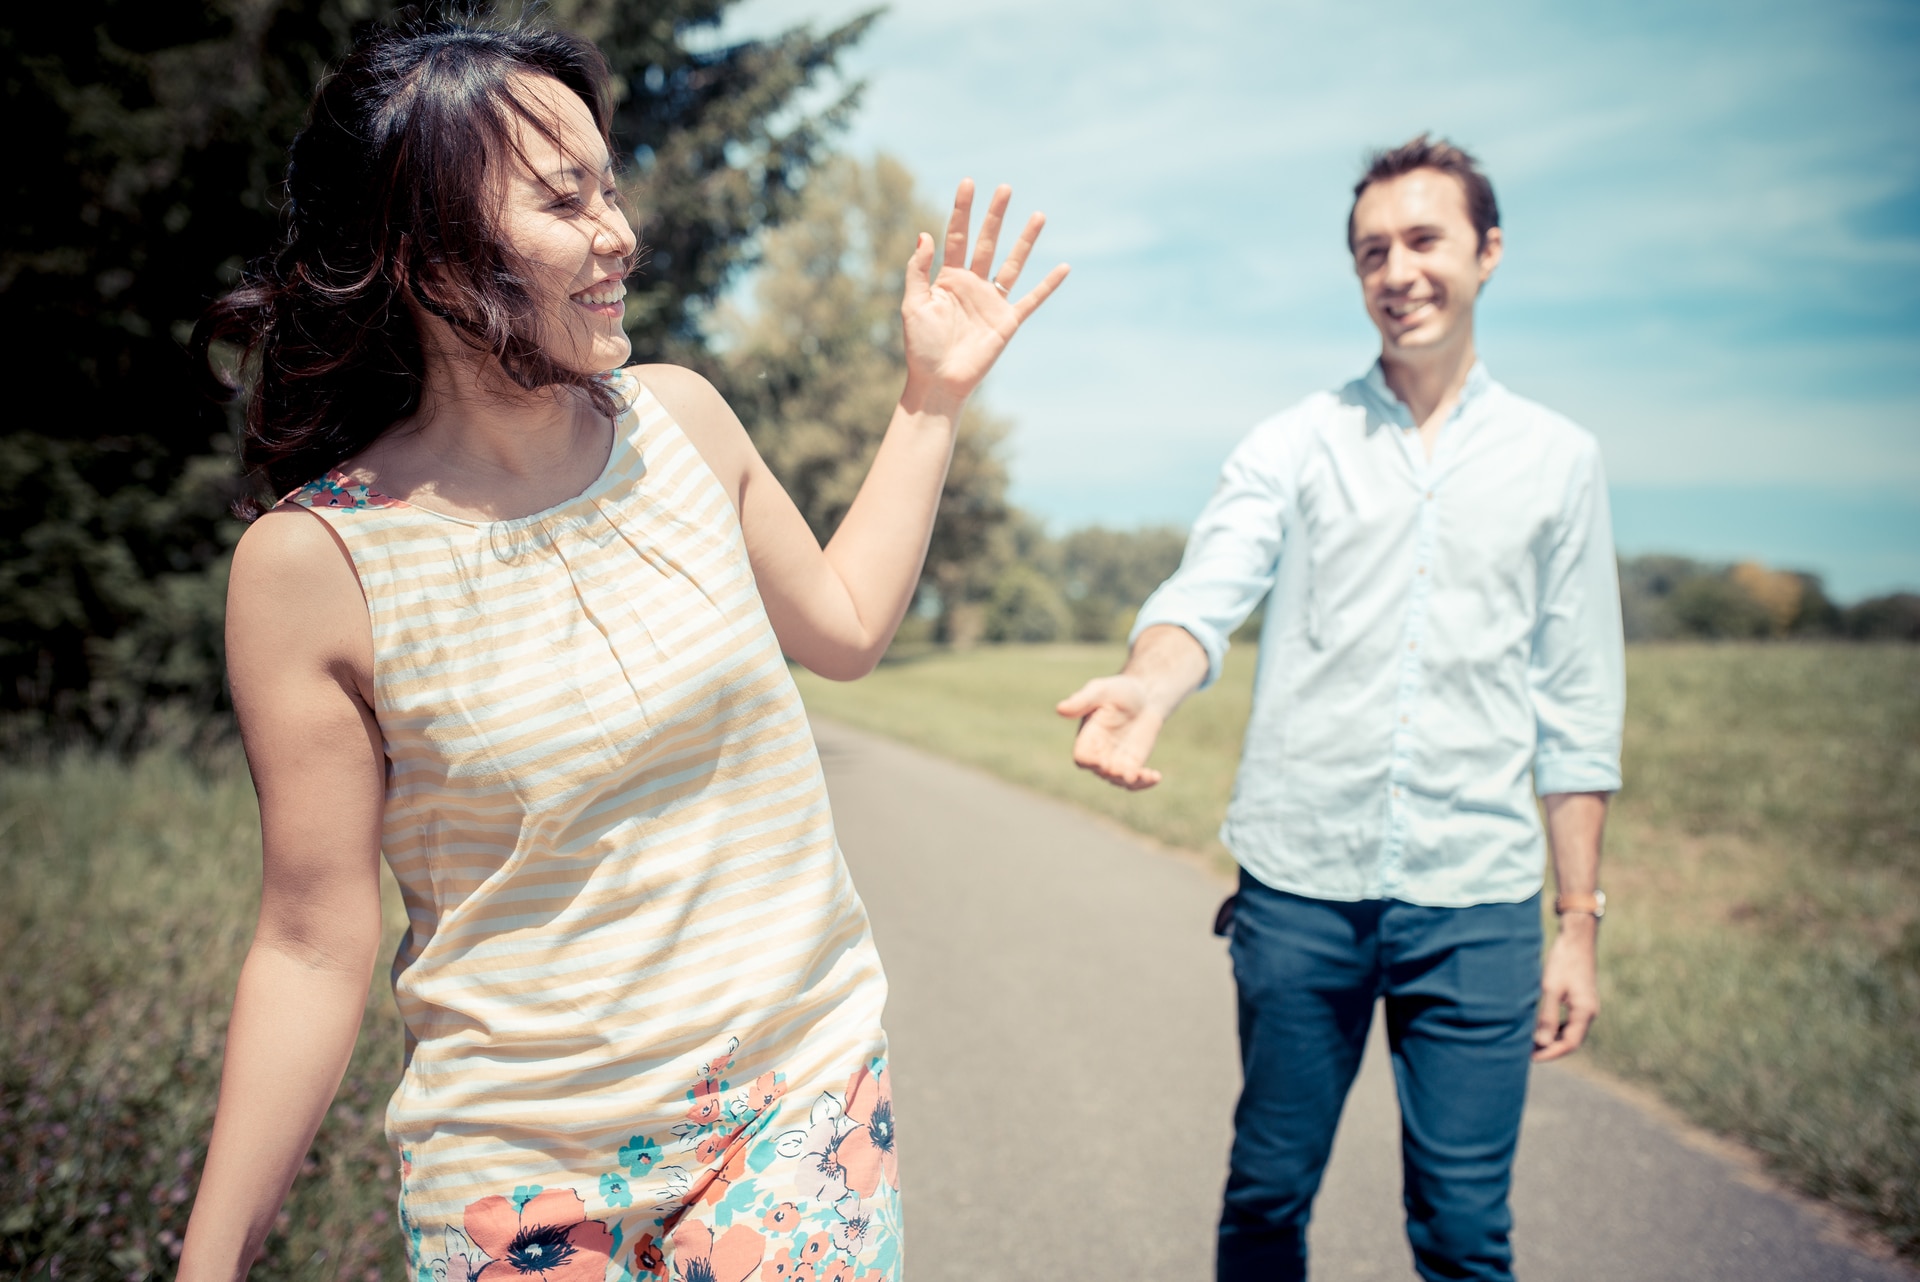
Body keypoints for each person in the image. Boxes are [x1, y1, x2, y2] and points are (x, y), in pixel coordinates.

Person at [177, 18, 1065, 1282]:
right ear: (427, 251)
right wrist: (209, 1263)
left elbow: (848, 629)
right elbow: (313, 941)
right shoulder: (313, 566)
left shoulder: (684, 422)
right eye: (564, 199)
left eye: (611, 185)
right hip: (521, 1185)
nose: (621, 234)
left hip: (793, 1113)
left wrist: (930, 401)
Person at [1057, 135, 1623, 1282]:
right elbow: (1206, 591)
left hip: (1479, 904)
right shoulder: (1293, 443)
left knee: (1466, 1233)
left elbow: (1578, 699)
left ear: (1488, 251)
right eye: (1374, 249)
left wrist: (1578, 924)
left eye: (1424, 240)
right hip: (1303, 891)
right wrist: (1151, 678)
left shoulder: (1560, 461)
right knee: (1267, 1196)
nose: (1398, 270)